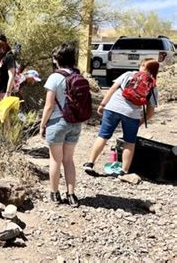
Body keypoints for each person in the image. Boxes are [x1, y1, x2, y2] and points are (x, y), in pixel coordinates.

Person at [83, 58, 159, 177]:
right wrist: (141, 121)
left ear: (143, 66)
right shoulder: (153, 86)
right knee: (129, 142)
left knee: (103, 136)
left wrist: (103, 104)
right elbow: (150, 111)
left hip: (113, 107)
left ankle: (90, 163)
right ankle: (124, 171)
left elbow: (113, 88)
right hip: (132, 114)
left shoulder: (129, 74)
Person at [39, 44, 82, 207]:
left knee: (55, 160)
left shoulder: (55, 78)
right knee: (69, 160)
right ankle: (71, 195)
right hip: (75, 123)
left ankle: (55, 193)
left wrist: (43, 125)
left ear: (57, 60)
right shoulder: (78, 75)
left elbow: (49, 106)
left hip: (57, 123)